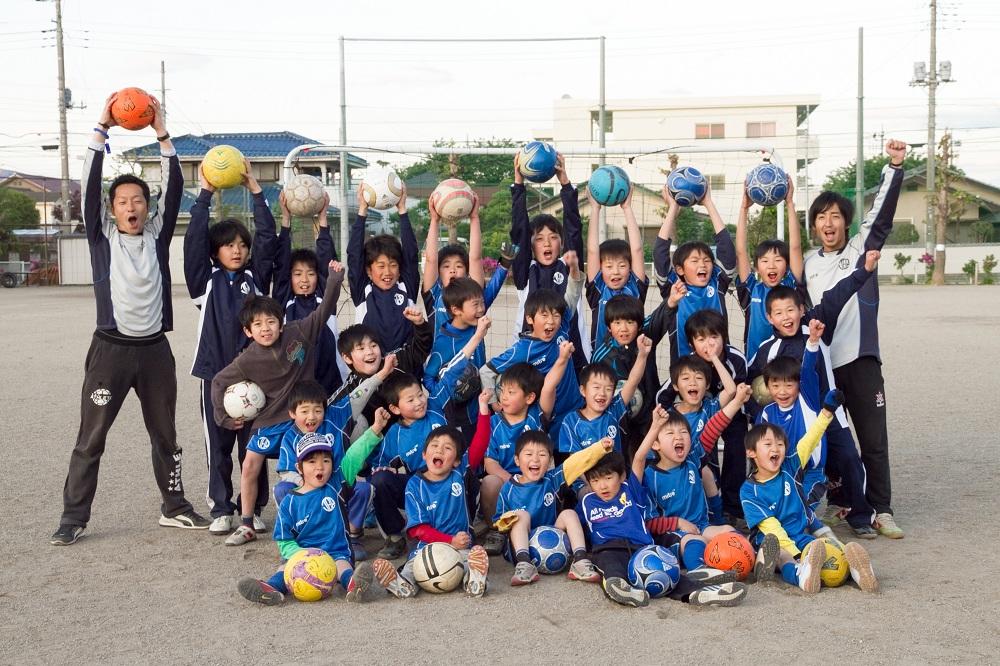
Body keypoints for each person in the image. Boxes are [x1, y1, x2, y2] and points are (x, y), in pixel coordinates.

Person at [51, 93, 209, 545]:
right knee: (91, 438)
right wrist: (102, 126)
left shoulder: (158, 236)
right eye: (122, 201)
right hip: (110, 351)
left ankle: (175, 507)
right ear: (112, 209)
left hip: (154, 352)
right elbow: (90, 178)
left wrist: (161, 132)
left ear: (148, 206)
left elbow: (175, 186)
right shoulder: (101, 237)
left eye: (138, 200)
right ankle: (73, 518)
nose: (132, 207)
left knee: (166, 436)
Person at [802, 139, 907, 539]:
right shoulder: (808, 266)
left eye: (835, 217)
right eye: (820, 218)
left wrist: (894, 168)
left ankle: (882, 508)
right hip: (825, 364)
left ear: (845, 222)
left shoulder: (862, 249)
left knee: (872, 439)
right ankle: (842, 502)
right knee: (829, 437)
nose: (828, 224)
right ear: (813, 226)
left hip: (861, 359)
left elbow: (881, 216)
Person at [209, 262, 344, 541]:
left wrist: (334, 278)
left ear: (280, 323)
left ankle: (316, 517)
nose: (266, 328)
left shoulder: (299, 332)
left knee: (310, 466)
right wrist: (223, 417)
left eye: (271, 322)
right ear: (248, 332)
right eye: (258, 325)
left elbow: (324, 311)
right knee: (249, 463)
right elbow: (219, 381)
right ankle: (246, 523)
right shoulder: (247, 359)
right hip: (269, 420)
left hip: (303, 419)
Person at [748, 254, 881, 538]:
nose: (786, 317)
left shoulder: (817, 328)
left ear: (801, 309)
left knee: (849, 459)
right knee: (788, 467)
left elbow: (839, 293)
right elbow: (749, 382)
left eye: (791, 310)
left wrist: (865, 271)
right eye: (779, 313)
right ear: (769, 317)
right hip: (791, 420)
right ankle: (786, 515)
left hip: (827, 413)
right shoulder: (767, 350)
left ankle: (860, 514)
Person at [185, 155, 279, 535]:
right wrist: (205, 192)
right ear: (216, 252)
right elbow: (192, 241)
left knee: (253, 447)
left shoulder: (256, 279)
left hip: (255, 376)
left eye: (242, 244)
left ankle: (251, 508)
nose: (237, 250)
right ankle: (220, 508)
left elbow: (269, 239)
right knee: (219, 447)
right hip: (215, 376)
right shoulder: (203, 284)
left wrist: (256, 189)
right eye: (228, 246)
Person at [367, 319, 489, 561]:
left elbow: (454, 369)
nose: (419, 402)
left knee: (469, 474)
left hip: (451, 476)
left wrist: (478, 335)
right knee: (379, 481)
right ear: (395, 408)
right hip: (420, 487)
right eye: (410, 400)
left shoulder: (435, 407)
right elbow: (377, 466)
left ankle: (466, 526)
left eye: (419, 395)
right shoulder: (395, 435)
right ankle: (394, 536)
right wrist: (379, 470)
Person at [227, 374, 387, 552]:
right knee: (282, 489)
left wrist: (383, 373)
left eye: (318, 411)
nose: (312, 416)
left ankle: (352, 534)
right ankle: (299, 534)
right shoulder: (290, 436)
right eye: (304, 411)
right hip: (306, 487)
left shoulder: (334, 421)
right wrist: (307, 483)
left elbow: (359, 395)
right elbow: (287, 471)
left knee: (364, 489)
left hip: (337, 484)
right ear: (292, 413)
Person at [741, 390, 878, 594]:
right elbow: (772, 528)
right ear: (751, 452)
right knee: (781, 554)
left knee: (827, 551)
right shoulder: (749, 491)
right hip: (773, 542)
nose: (776, 449)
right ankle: (800, 575)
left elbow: (810, 440)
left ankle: (860, 573)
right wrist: (797, 554)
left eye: (780, 444)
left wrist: (826, 412)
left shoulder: (790, 467)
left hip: (801, 535)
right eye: (768, 444)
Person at [579, 452, 748, 608]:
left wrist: (655, 426)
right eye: (595, 481)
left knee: (670, 574)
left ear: (622, 476)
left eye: (608, 477)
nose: (602, 486)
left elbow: (639, 458)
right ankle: (622, 588)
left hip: (641, 548)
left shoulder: (630, 491)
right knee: (610, 564)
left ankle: (702, 593)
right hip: (609, 547)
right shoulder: (587, 502)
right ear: (588, 482)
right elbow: (575, 521)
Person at [235, 431, 381, 605]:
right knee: (285, 569)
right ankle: (271, 589)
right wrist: (303, 556)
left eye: (326, 461)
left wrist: (374, 431)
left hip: (335, 553)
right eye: (312, 462)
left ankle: (353, 585)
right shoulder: (289, 502)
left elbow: (353, 456)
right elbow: (284, 541)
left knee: (343, 566)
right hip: (301, 556)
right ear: (299, 468)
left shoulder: (336, 486)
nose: (320, 467)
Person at [372, 414, 492, 599]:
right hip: (427, 547)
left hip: (460, 546)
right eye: (434, 446)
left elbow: (480, 444)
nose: (440, 450)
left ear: (457, 460)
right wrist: (448, 540)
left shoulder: (458, 474)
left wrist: (484, 410)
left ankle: (474, 581)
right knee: (413, 568)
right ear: (424, 454)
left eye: (447, 448)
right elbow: (418, 530)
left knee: (472, 559)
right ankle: (402, 584)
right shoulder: (414, 485)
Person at [493, 431, 613, 586]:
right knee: (521, 515)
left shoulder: (552, 480)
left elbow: (575, 462)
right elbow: (498, 523)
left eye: (542, 455)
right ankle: (525, 565)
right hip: (521, 547)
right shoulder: (508, 489)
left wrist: (599, 448)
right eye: (528, 454)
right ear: (517, 460)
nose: (535, 459)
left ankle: (580, 560)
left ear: (550, 461)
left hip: (552, 539)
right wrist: (507, 521)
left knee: (569, 513)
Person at [480, 252, 585, 426]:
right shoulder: (523, 349)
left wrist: (573, 267)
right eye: (544, 315)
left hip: (576, 411)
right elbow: (486, 371)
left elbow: (573, 291)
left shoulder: (562, 326)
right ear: (530, 319)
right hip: (548, 418)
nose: (551, 321)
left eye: (555, 315)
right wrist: (494, 404)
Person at [510, 153, 589, 368]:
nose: (547, 244)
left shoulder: (569, 264)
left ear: (561, 243)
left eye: (553, 238)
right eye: (540, 239)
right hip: (531, 354)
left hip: (572, 353)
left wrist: (565, 184)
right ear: (531, 245)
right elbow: (519, 230)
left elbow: (573, 227)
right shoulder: (526, 271)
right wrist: (519, 184)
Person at [759, 320, 837, 524]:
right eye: (775, 385)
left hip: (810, 474)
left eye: (788, 385)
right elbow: (759, 448)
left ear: (798, 385)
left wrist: (812, 341)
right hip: (780, 475)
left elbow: (808, 368)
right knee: (771, 513)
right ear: (767, 387)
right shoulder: (767, 413)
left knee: (797, 511)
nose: (782, 391)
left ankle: (815, 540)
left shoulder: (806, 400)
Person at [272, 189, 346, 395]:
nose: (304, 280)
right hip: (294, 381)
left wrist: (323, 218)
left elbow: (325, 260)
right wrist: (286, 220)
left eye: (310, 274)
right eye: (298, 274)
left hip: (329, 379)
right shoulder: (284, 301)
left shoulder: (325, 299)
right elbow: (281, 264)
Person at [653, 181, 736, 361]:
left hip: (719, 366)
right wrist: (673, 208)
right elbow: (660, 253)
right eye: (695, 261)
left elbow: (727, 249)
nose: (703, 265)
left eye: (707, 260)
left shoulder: (717, 283)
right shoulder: (674, 288)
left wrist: (708, 203)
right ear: (680, 270)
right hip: (685, 369)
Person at [735, 174, 807, 354]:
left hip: (789, 365)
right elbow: (741, 251)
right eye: (765, 261)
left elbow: (796, 248)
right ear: (757, 267)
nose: (772, 266)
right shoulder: (751, 289)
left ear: (787, 265)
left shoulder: (791, 284)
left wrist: (790, 203)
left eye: (778, 260)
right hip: (756, 366)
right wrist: (744, 208)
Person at [421, 190, 508, 337]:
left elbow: (475, 258)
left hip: (474, 360)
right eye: (446, 266)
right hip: (441, 360)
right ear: (438, 272)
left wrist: (474, 217)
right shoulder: (434, 295)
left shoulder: (475, 296)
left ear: (467, 273)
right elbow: (431, 259)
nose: (453, 270)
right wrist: (434, 220)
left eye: (459, 266)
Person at [348, 183, 419, 355]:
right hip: (373, 371)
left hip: (405, 371)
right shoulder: (362, 291)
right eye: (381, 266)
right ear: (368, 271)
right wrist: (362, 210)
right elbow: (354, 255)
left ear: (400, 269)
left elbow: (410, 254)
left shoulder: (406, 289)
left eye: (393, 265)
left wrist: (402, 210)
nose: (387, 272)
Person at [590, 295, 660, 460]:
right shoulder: (601, 357)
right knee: (623, 458)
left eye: (630, 322)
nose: (624, 328)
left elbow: (659, 318)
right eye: (617, 323)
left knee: (650, 456)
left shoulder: (645, 341)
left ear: (639, 325)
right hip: (619, 420)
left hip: (648, 413)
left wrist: (671, 302)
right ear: (608, 327)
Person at [584, 186, 648, 349]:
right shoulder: (598, 290)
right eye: (609, 266)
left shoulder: (635, 288)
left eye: (622, 265)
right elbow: (592, 251)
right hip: (602, 365)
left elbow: (637, 250)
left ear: (630, 268)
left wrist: (627, 208)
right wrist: (595, 209)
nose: (616, 271)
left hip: (633, 361)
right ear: (600, 268)